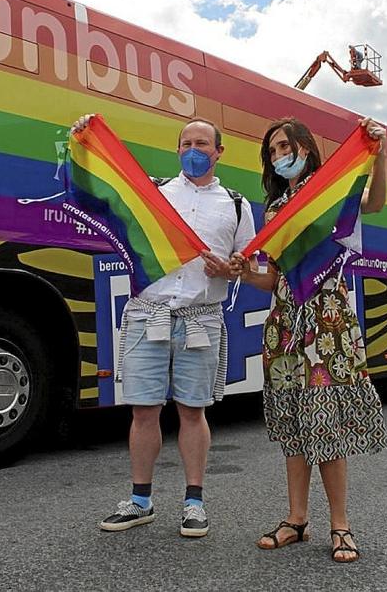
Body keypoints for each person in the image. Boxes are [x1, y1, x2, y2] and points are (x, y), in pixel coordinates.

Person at [70, 114, 256, 538]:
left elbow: (249, 262)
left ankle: (194, 503)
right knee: (143, 410)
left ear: (219, 152)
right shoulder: (151, 194)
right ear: (177, 150)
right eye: (186, 143)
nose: (193, 151)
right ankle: (140, 501)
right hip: (147, 313)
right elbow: (95, 191)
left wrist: (230, 269)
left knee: (193, 411)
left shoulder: (237, 205)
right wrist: (82, 143)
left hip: (200, 318)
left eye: (202, 144)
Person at [230, 116, 387, 563]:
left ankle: (341, 525)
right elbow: (274, 278)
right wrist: (248, 273)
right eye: (272, 152)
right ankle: (297, 519)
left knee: (327, 425)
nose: (280, 156)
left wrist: (380, 152)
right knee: (297, 427)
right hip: (284, 325)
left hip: (327, 320)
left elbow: (374, 203)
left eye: (284, 146)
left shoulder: (332, 190)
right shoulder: (275, 208)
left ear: (305, 146)